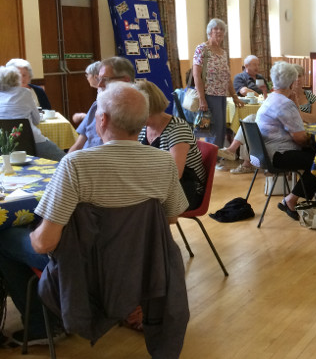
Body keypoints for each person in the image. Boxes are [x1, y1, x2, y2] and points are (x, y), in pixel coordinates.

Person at [0, 83, 188, 346]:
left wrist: (31, 233)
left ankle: (41, 326)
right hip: (140, 264)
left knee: (5, 238)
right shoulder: (164, 162)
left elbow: (44, 244)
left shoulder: (76, 164)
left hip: (85, 270)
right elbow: (170, 218)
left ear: (102, 119)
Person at [257, 62, 316, 220]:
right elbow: (300, 138)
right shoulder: (285, 104)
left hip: (265, 152)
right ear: (291, 83)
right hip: (277, 154)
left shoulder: (271, 98)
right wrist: (308, 142)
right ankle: (291, 200)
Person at [136, 80, 207, 211]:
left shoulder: (177, 129)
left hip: (186, 190)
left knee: (133, 207)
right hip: (160, 186)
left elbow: (175, 174)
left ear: (147, 107)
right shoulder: (143, 128)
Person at [193, 18, 244, 149]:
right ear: (209, 32)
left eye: (221, 29)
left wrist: (235, 96)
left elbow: (227, 77)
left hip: (221, 96)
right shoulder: (202, 49)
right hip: (208, 95)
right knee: (211, 131)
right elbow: (196, 75)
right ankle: (212, 157)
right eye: (215, 29)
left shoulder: (223, 52)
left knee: (221, 129)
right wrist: (202, 99)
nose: (219, 31)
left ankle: (217, 155)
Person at [69, 56, 134, 152]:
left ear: (125, 80)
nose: (99, 84)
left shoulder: (136, 109)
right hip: (83, 157)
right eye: (99, 79)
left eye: (105, 79)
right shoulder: (96, 106)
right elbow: (79, 144)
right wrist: (66, 160)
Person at [0, 66, 65, 161]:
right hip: (33, 141)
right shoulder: (25, 92)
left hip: (3, 145)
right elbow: (37, 120)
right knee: (64, 160)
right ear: (16, 79)